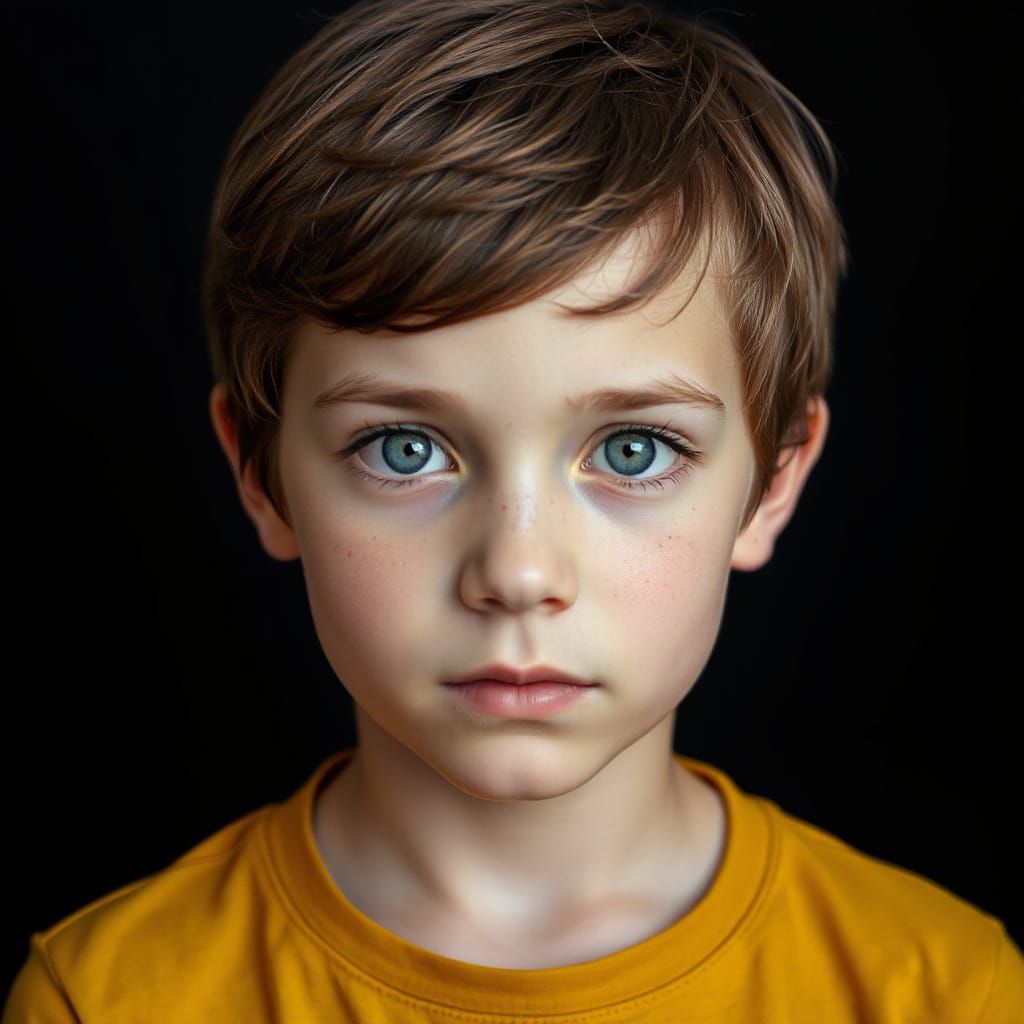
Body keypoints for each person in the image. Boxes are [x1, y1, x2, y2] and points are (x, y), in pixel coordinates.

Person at [5, 0, 1021, 1019]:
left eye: (633, 450)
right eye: (405, 450)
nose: (519, 572)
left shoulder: (942, 990)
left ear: (773, 483)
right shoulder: (107, 998)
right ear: (262, 475)